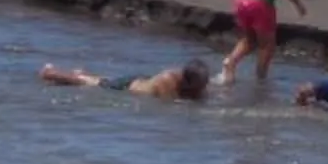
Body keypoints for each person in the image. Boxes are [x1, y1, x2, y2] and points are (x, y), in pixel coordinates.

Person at [40, 59, 211, 101]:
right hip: (129, 87)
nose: (203, 88)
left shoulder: (188, 82)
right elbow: (172, 104)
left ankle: (80, 73)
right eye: (200, 85)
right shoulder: (167, 81)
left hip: (140, 80)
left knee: (98, 81)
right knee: (92, 84)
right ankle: (51, 73)